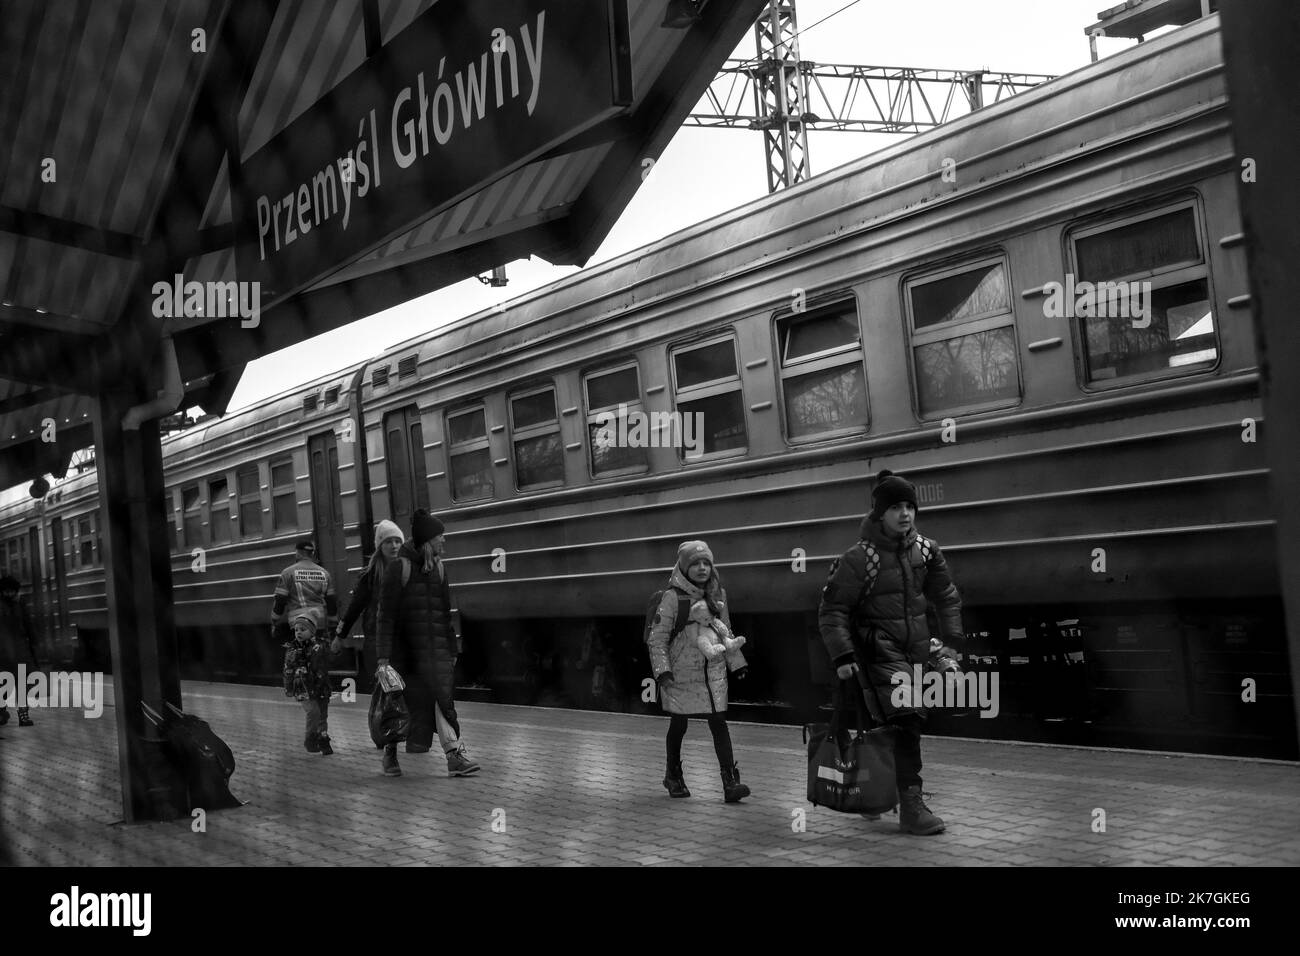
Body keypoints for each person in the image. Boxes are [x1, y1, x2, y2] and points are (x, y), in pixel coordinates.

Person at [818, 469, 964, 835]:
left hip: (912, 650)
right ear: (879, 513)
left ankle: (874, 793)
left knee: (888, 727)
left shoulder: (926, 551)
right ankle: (911, 807)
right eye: (896, 507)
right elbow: (832, 611)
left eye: (909, 506)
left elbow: (946, 595)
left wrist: (953, 640)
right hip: (877, 652)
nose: (905, 514)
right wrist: (843, 657)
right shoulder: (859, 558)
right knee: (908, 721)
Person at [375, 509, 480, 778]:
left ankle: (454, 756)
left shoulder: (440, 569)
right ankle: (390, 753)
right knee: (398, 707)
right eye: (440, 537)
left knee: (442, 702)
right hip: (405, 656)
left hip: (436, 654)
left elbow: (445, 614)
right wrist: (383, 659)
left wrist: (453, 649)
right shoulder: (400, 568)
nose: (444, 541)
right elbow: (385, 616)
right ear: (427, 540)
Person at [648, 541, 751, 803]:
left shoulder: (718, 595)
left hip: (712, 672)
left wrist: (737, 664)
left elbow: (725, 630)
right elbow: (657, 638)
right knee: (678, 724)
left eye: (706, 563)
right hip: (681, 673)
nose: (702, 568)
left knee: (719, 723)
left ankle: (730, 782)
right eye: (695, 564)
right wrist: (662, 671)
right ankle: (673, 775)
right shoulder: (672, 598)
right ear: (684, 567)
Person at [337, 520, 405, 684]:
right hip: (377, 641)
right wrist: (340, 635)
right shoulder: (371, 575)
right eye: (388, 542)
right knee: (385, 691)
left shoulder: (408, 570)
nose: (394, 546)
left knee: (405, 693)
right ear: (380, 546)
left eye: (397, 541)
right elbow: (355, 606)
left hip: (404, 640)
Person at [282, 606, 334, 754]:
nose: (298, 632)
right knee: (313, 712)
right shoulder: (292, 650)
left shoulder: (320, 646)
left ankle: (323, 741)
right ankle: (310, 739)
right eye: (296, 629)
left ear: (312, 631)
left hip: (321, 687)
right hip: (302, 688)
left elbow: (330, 660)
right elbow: (288, 670)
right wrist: (288, 688)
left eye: (302, 629)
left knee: (322, 716)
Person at [270, 539, 339, 648]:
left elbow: (280, 599)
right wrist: (333, 623)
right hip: (319, 622)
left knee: (299, 655)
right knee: (318, 651)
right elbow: (331, 601)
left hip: (299, 624)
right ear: (312, 554)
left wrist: (275, 620)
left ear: (297, 553)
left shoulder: (288, 573)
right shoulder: (324, 573)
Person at [0, 575, 38, 727]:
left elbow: (28, 623)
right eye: (6, 591)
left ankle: (23, 716)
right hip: (3, 653)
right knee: (4, 685)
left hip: (19, 651)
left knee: (21, 686)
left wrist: (34, 641)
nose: (9, 594)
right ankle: (1, 711)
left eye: (12, 591)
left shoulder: (20, 604)